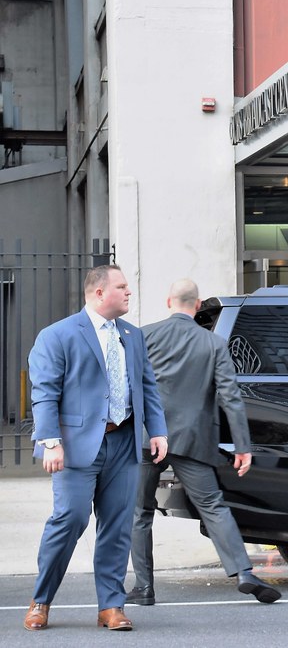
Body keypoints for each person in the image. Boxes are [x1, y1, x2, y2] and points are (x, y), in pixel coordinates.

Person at [24, 264, 169, 632]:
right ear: (99, 292)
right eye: (122, 287)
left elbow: (147, 386)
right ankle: (41, 600)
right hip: (74, 446)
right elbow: (44, 392)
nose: (129, 292)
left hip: (123, 442)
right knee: (70, 519)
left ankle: (111, 606)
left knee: (117, 526)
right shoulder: (57, 335)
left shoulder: (133, 336)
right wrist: (51, 441)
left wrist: (157, 430)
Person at [128, 279, 280, 605]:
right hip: (192, 439)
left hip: (146, 438)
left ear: (169, 300)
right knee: (213, 506)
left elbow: (128, 383)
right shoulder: (212, 343)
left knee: (139, 512)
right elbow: (231, 397)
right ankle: (243, 572)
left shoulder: (144, 335)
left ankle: (144, 587)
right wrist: (242, 446)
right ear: (197, 307)